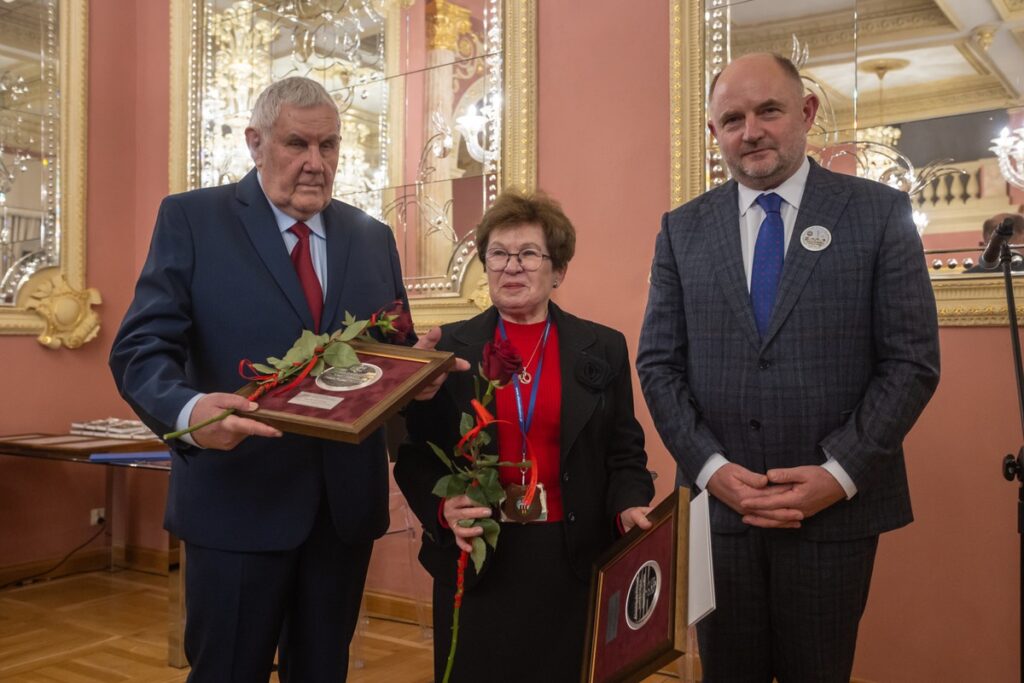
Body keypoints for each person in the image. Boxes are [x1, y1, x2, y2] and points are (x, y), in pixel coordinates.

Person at [636, 53, 940, 682]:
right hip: (720, 513)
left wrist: (839, 473)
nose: (751, 131)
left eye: (768, 111)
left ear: (805, 113)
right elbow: (659, 365)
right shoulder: (682, 230)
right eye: (732, 119)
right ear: (715, 132)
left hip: (832, 513)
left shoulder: (878, 215)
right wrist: (714, 471)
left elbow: (910, 361)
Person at [110, 77, 422, 682]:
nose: (315, 163)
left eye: (329, 146)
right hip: (236, 504)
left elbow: (389, 356)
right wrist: (190, 412)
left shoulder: (373, 237)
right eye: (297, 144)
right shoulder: (192, 219)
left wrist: (418, 373)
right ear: (255, 142)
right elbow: (140, 349)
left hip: (342, 515)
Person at [394, 191, 655, 682]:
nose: (511, 266)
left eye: (528, 254)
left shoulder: (602, 346)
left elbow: (624, 452)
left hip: (574, 558)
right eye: (498, 253)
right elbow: (413, 456)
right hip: (479, 555)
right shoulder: (447, 349)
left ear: (557, 270)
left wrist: (629, 505)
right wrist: (442, 510)